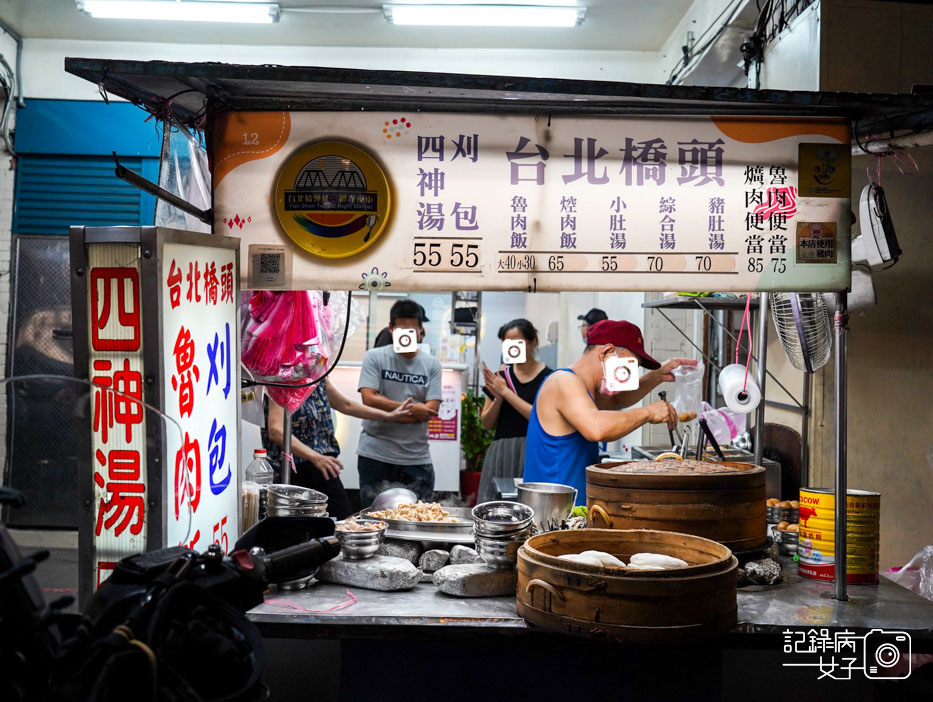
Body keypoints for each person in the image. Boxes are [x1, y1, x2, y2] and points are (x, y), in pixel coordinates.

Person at [523, 319, 697, 504]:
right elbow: (596, 428)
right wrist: (648, 412)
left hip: (570, 510)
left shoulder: (585, 389)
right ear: (606, 352)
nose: (627, 377)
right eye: (627, 369)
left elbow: (617, 400)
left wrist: (657, 376)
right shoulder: (563, 381)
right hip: (553, 517)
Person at [262, 381, 413, 520]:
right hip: (295, 467)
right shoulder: (281, 380)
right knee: (340, 523)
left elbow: (346, 404)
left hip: (321, 465)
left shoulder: (316, 377)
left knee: (340, 524)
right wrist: (316, 457)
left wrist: (388, 416)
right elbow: (276, 431)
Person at [358, 299, 441, 506]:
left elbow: (431, 409)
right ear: (391, 329)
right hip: (375, 455)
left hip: (416, 458)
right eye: (401, 329)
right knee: (372, 521)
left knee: (419, 523)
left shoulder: (431, 364)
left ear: (421, 330)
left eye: (412, 330)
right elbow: (368, 397)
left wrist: (391, 409)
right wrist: (413, 409)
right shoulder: (374, 357)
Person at [477, 319, 553, 504]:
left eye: (518, 343)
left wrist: (506, 392)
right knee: (496, 508)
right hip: (502, 452)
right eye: (507, 344)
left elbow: (540, 418)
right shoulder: (500, 378)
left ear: (533, 342)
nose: (512, 348)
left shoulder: (550, 378)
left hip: (534, 450)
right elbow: (486, 423)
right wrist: (498, 398)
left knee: (531, 506)